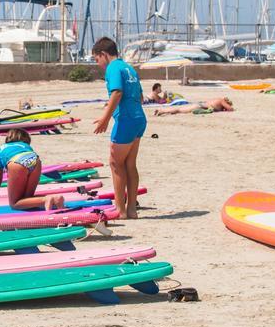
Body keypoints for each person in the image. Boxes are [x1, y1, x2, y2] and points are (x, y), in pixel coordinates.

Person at [91, 36, 145, 220]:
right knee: (129, 164)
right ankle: (132, 210)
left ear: (104, 54)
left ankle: (120, 210)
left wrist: (106, 119)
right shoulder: (128, 67)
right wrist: (107, 115)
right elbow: (140, 96)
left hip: (126, 120)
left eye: (97, 59)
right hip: (139, 118)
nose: (98, 64)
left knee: (115, 163)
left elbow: (117, 92)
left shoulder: (113, 68)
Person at [0, 129, 64, 210]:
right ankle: (55, 199)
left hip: (16, 161)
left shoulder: (1, 148)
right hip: (35, 161)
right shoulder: (25, 146)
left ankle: (46, 199)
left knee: (15, 204)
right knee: (27, 199)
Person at [152, 97, 234, 116]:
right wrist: (228, 107)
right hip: (200, 106)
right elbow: (230, 109)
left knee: (179, 109)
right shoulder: (221, 100)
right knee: (179, 110)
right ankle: (161, 111)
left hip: (200, 105)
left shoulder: (216, 100)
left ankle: (162, 110)